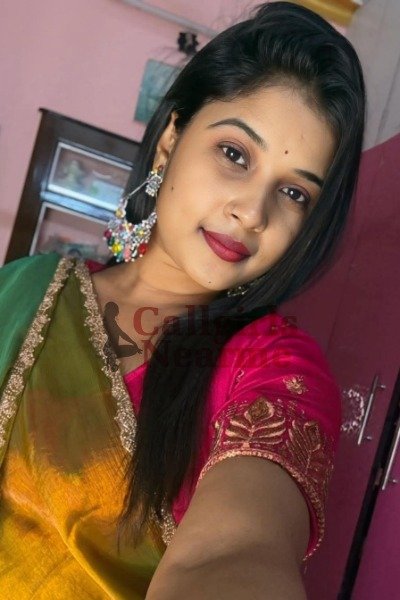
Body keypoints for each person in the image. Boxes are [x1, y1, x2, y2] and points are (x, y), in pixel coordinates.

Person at [0, 2, 365, 598]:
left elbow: (237, 553)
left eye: (295, 193)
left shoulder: (272, 366)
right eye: (235, 154)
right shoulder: (23, 287)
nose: (252, 211)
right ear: (171, 142)